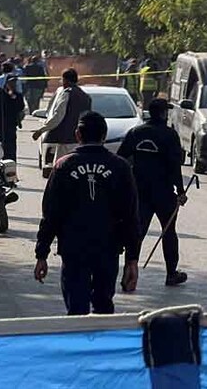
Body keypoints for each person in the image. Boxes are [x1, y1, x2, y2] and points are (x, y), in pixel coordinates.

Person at [34, 111, 140, 315]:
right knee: (103, 306)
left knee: (76, 310)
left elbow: (51, 215)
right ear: (104, 135)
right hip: (107, 249)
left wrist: (42, 254)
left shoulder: (64, 166)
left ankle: (80, 343)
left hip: (74, 249)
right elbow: (131, 217)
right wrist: (132, 260)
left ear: (77, 135)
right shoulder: (120, 167)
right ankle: (100, 344)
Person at [117, 98, 190, 286]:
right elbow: (175, 166)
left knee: (136, 233)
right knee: (169, 232)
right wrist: (180, 191)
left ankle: (129, 273)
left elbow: (120, 158)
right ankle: (171, 274)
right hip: (163, 192)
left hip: (139, 191)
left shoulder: (135, 132)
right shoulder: (169, 135)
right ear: (164, 113)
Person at [32, 68, 92, 162]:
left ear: (66, 80)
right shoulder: (85, 96)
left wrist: (41, 130)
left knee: (61, 167)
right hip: (80, 140)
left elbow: (58, 116)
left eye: (62, 80)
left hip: (66, 140)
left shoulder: (67, 93)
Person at [0, 65, 26, 161]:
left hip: (10, 127)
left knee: (10, 151)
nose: (13, 84)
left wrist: (13, 95)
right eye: (11, 82)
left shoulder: (17, 96)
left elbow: (21, 108)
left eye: (15, 82)